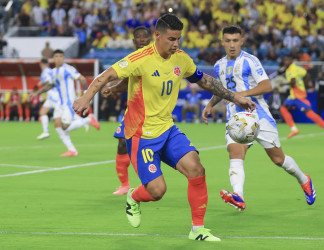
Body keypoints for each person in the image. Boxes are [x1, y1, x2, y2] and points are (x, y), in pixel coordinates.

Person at [73, 14, 255, 242]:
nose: (176, 44)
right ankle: (133, 197)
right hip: (141, 135)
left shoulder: (180, 58)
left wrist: (235, 97)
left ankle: (197, 229)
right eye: (171, 39)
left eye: (178, 39)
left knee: (197, 169)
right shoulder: (141, 58)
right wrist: (86, 97)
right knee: (157, 191)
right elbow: (106, 75)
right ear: (157, 35)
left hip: (167, 129)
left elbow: (204, 80)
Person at [202, 25, 316, 213]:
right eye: (228, 41)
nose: (232, 45)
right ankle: (238, 196)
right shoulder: (218, 65)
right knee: (235, 154)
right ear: (222, 42)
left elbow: (267, 85)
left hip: (259, 116)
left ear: (242, 41)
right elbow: (222, 89)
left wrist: (241, 94)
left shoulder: (250, 61)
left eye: (235, 41)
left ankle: (304, 179)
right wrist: (210, 105)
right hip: (236, 118)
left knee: (278, 159)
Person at [101, 26, 152, 195]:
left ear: (150, 39)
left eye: (145, 37)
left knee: (152, 148)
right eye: (139, 37)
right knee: (122, 142)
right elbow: (127, 82)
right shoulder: (131, 59)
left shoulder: (156, 57)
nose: (142, 39)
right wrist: (113, 89)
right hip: (134, 112)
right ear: (133, 40)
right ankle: (124, 184)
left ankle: (152, 183)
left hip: (154, 111)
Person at [32, 50, 100, 156]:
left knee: (65, 126)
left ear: (63, 58)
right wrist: (38, 92)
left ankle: (87, 120)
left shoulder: (68, 69)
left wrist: (86, 93)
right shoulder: (54, 72)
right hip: (60, 103)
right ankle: (72, 150)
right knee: (57, 125)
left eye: (60, 56)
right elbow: (50, 85)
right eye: (56, 56)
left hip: (69, 103)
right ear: (53, 59)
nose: (58, 58)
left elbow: (82, 79)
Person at [279, 54, 324, 140]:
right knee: (284, 108)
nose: (285, 62)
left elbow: (293, 81)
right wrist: (304, 84)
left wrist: (284, 84)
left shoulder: (290, 70)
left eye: (287, 60)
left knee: (308, 112)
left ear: (291, 61)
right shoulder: (297, 67)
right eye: (285, 60)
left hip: (297, 95)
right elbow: (306, 74)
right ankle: (294, 129)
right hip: (297, 93)